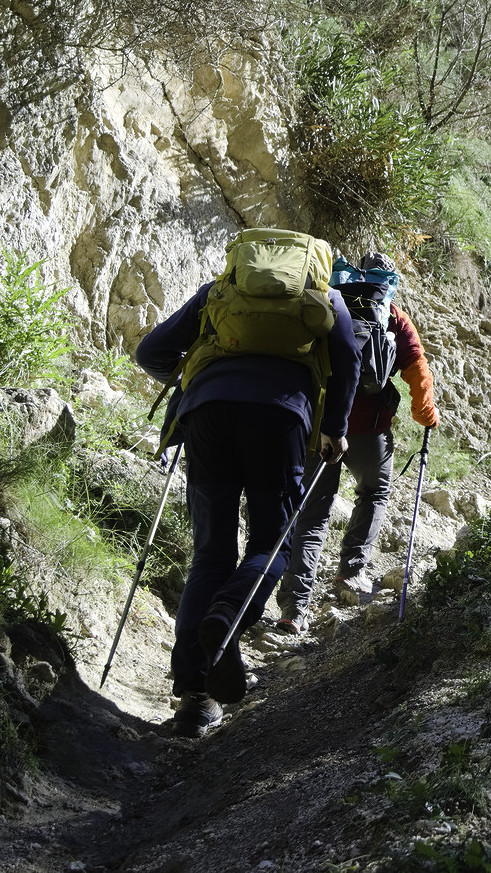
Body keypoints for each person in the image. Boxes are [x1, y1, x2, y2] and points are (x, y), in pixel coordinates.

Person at [135, 230, 358, 737]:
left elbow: (150, 353)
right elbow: (348, 359)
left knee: (211, 553)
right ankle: (231, 615)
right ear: (314, 263)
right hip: (280, 420)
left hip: (207, 412)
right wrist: (335, 430)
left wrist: (195, 375)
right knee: (271, 544)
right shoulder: (328, 298)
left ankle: (195, 697)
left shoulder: (219, 293)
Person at [273, 253, 439, 630]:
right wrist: (425, 414)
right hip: (369, 428)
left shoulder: (327, 301)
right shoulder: (391, 315)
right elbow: (417, 369)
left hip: (320, 424)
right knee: (375, 492)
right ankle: (351, 571)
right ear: (386, 282)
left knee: (313, 513)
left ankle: (293, 608)